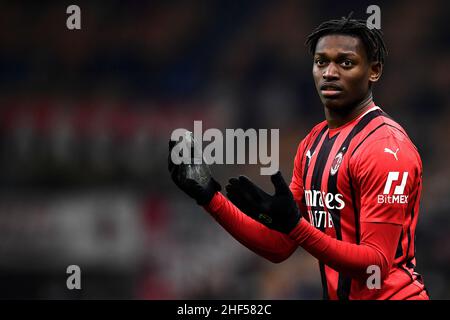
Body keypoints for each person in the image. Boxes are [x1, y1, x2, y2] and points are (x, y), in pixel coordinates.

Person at [168, 16, 429, 300]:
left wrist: (296, 226)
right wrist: (210, 198)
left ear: (374, 71)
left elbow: (375, 267)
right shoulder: (312, 143)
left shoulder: (387, 148)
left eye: (345, 63)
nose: (330, 72)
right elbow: (280, 246)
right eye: (321, 62)